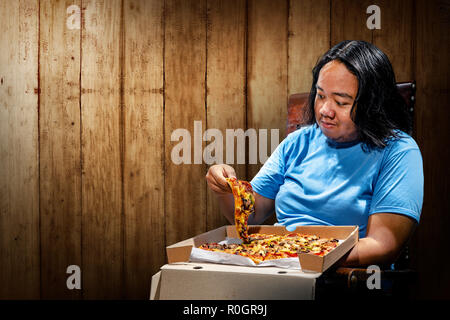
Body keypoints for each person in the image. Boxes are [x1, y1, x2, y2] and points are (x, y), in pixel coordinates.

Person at [205, 40, 424, 267]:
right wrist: (225, 188)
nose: (325, 111)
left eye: (341, 102)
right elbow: (251, 214)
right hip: (276, 263)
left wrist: (303, 257)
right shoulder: (297, 142)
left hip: (339, 274)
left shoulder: (398, 151)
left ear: (372, 104)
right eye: (320, 96)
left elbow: (382, 246)